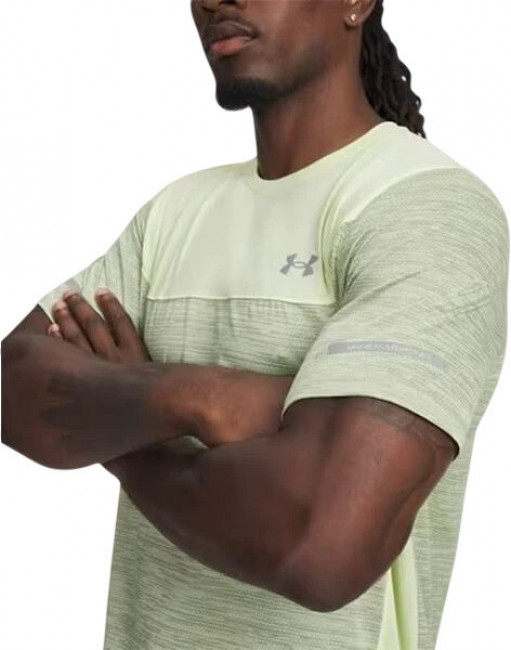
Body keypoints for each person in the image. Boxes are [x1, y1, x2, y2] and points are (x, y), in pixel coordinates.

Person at [1, 0, 508, 648]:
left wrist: (128, 434)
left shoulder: (427, 210)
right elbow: (12, 381)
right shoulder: (176, 213)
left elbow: (320, 548)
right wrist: (207, 398)